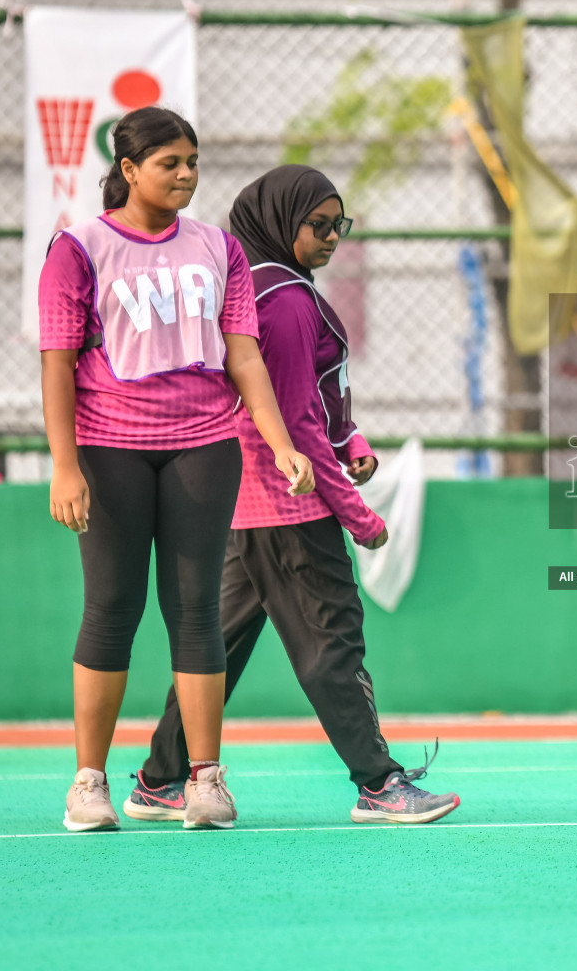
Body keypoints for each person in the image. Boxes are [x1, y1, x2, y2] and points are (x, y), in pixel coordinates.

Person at [122, 165, 459, 825]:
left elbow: (313, 403)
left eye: (341, 225)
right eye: (318, 225)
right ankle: (379, 783)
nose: (332, 236)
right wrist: (357, 514)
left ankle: (160, 780)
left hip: (242, 502)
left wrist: (352, 440)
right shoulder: (283, 301)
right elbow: (295, 425)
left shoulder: (264, 288)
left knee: (216, 648)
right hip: (289, 504)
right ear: (281, 224)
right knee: (333, 645)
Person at [39, 107, 315, 832]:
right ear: (129, 170)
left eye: (193, 161)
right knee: (111, 608)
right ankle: (89, 784)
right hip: (109, 448)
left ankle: (204, 781)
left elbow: (244, 355)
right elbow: (58, 365)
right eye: (170, 163)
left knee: (196, 611)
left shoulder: (218, 250)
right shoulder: (79, 247)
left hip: (203, 444)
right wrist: (64, 465)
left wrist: (281, 443)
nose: (187, 174)